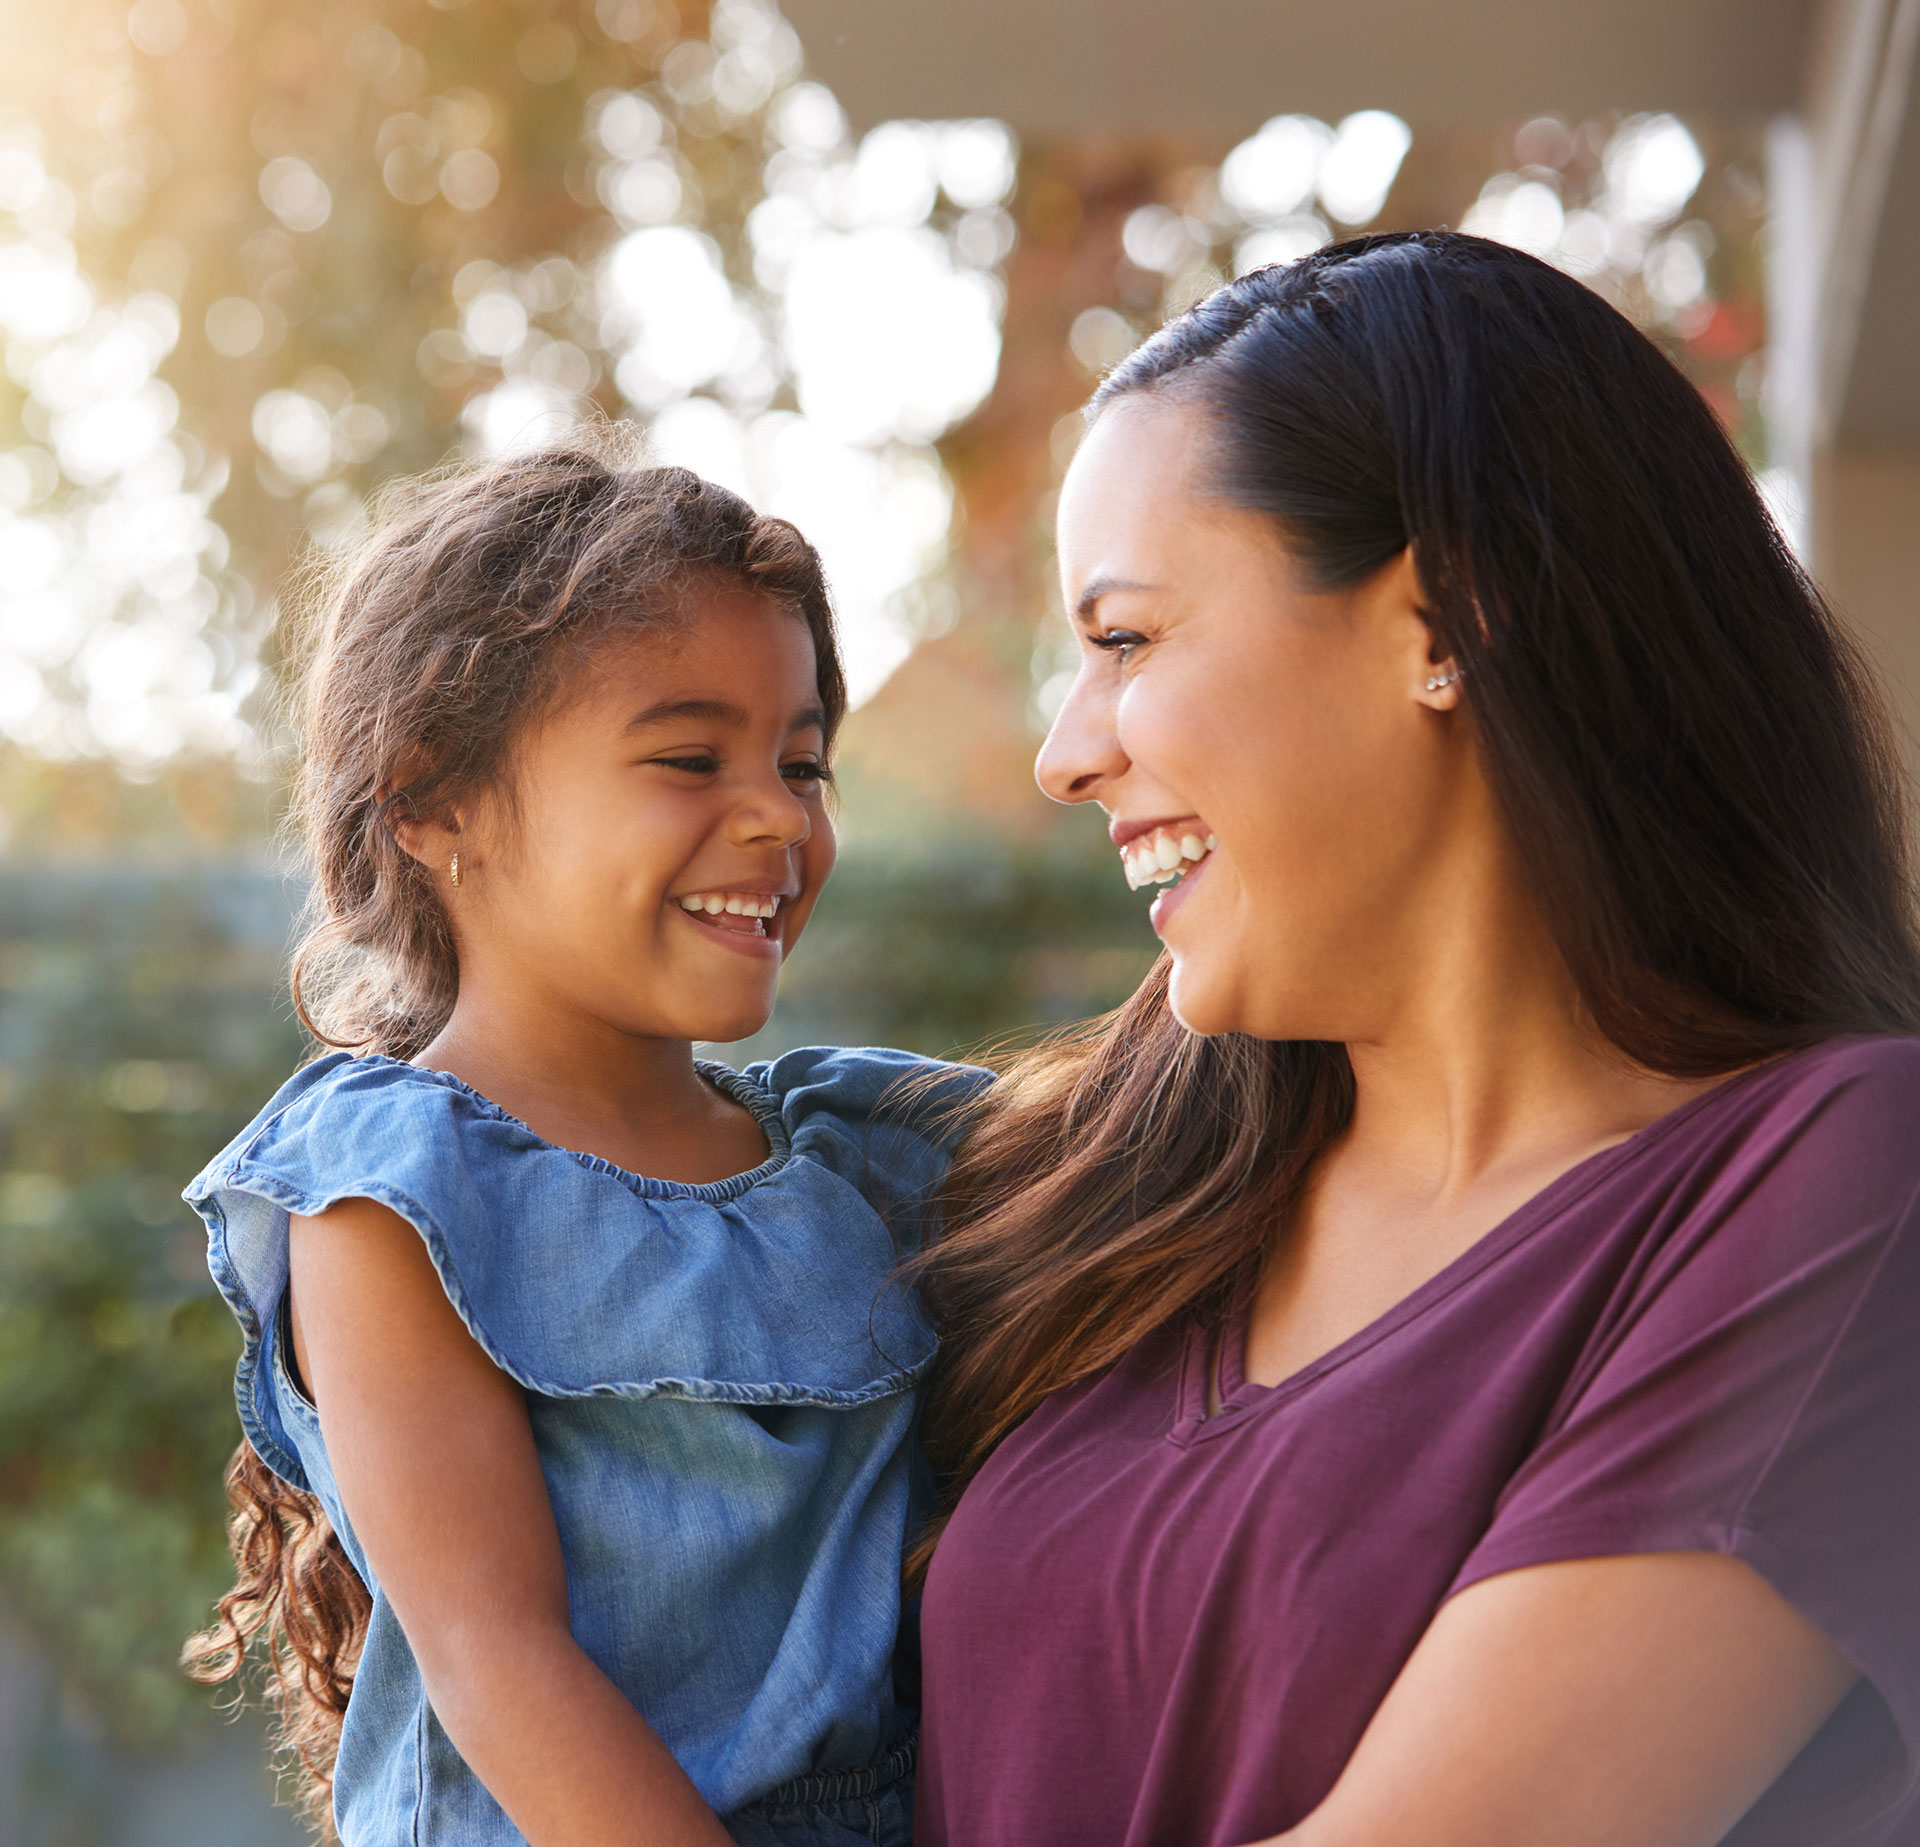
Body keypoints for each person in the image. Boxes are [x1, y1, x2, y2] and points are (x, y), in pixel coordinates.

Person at [910, 233, 1920, 1847]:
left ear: (1449, 616)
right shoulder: (1100, 1186)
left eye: (1125, 641)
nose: (1062, 755)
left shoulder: (1846, 1191)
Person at [181, 448, 980, 1846]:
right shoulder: (390, 1193)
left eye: (804, 763)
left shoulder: (872, 1153)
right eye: (690, 758)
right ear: (434, 803)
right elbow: (504, 1666)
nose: (782, 816)